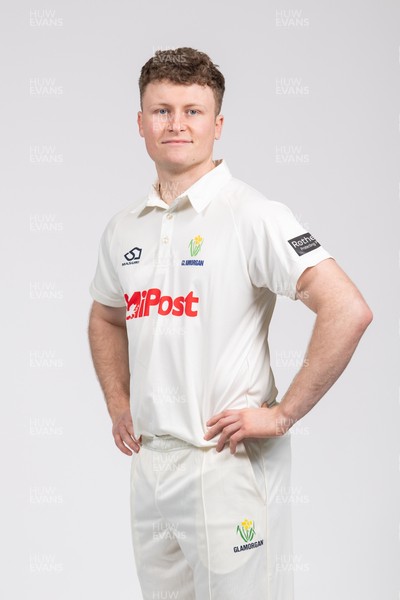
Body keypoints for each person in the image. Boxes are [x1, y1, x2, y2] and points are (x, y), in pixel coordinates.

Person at [88, 47, 373, 600]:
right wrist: (118, 401)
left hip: (225, 464)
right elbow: (105, 315)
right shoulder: (124, 228)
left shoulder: (254, 215)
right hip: (151, 465)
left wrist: (283, 414)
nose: (176, 124)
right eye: (161, 110)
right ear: (140, 123)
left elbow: (347, 308)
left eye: (193, 111)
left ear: (218, 125)